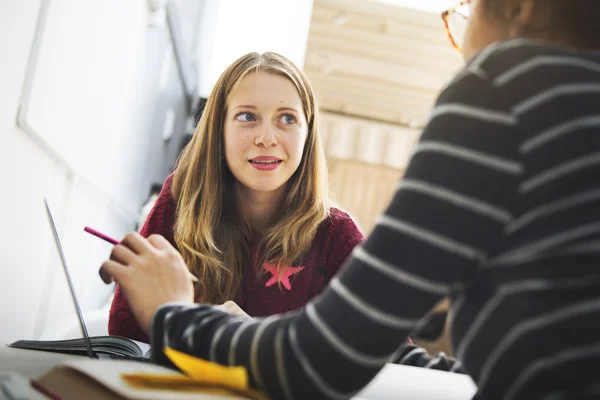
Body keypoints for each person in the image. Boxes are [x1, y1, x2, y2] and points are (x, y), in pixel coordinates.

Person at [101, 0, 600, 398]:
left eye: (465, 8)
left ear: (523, 7)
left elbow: (324, 360)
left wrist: (175, 315)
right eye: (247, 116)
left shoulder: (508, 85)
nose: (461, 42)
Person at [107, 51, 368, 343]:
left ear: (308, 135)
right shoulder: (182, 198)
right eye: (247, 117)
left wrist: (253, 341)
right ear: (219, 131)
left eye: (287, 118)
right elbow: (124, 331)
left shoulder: (337, 235)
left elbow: (389, 359)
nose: (266, 138)